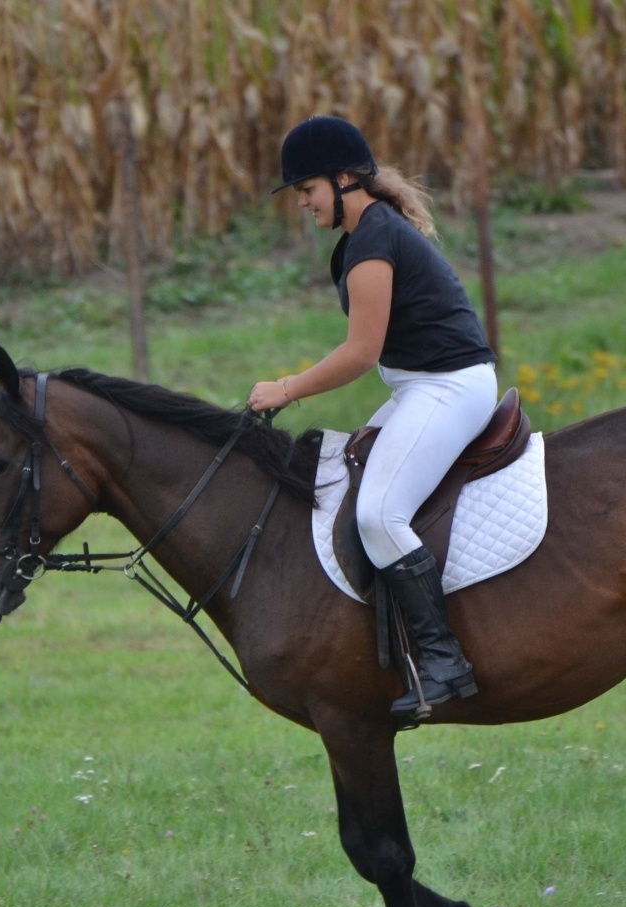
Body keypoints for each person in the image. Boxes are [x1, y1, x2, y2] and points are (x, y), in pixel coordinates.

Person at [247, 115, 498, 727]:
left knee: (377, 512)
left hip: (450, 388)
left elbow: (361, 353)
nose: (302, 203)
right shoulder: (364, 236)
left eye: (306, 189)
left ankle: (443, 662)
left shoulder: (373, 239)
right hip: (421, 387)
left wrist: (286, 388)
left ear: (342, 179)